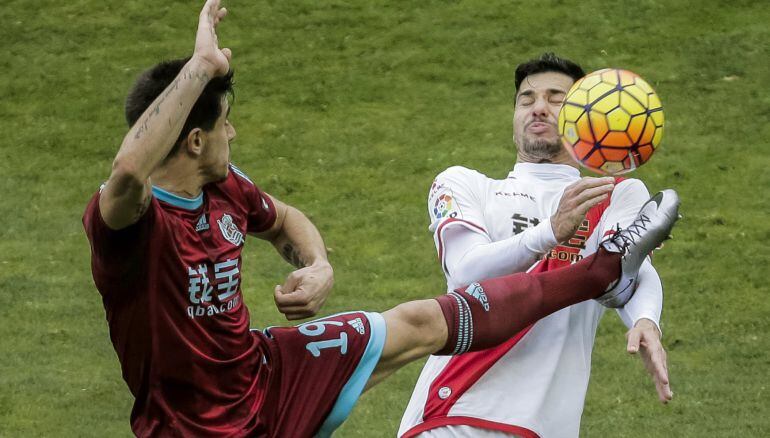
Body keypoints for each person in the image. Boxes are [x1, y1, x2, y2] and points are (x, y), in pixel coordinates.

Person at [82, 4, 679, 436]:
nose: (233, 131)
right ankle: (596, 271)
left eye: (558, 98)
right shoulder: (128, 220)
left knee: (418, 320)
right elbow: (130, 172)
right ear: (191, 140)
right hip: (195, 422)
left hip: (267, 370)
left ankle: (599, 271)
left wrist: (316, 265)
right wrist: (199, 68)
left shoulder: (227, 187)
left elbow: (285, 219)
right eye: (528, 97)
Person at [398, 53, 675, 438]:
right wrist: (550, 231)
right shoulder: (466, 185)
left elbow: (631, 271)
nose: (539, 109)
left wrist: (646, 320)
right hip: (454, 410)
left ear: (585, 116)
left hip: (546, 425)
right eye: (526, 100)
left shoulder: (613, 195)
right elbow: (466, 273)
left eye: (556, 99)